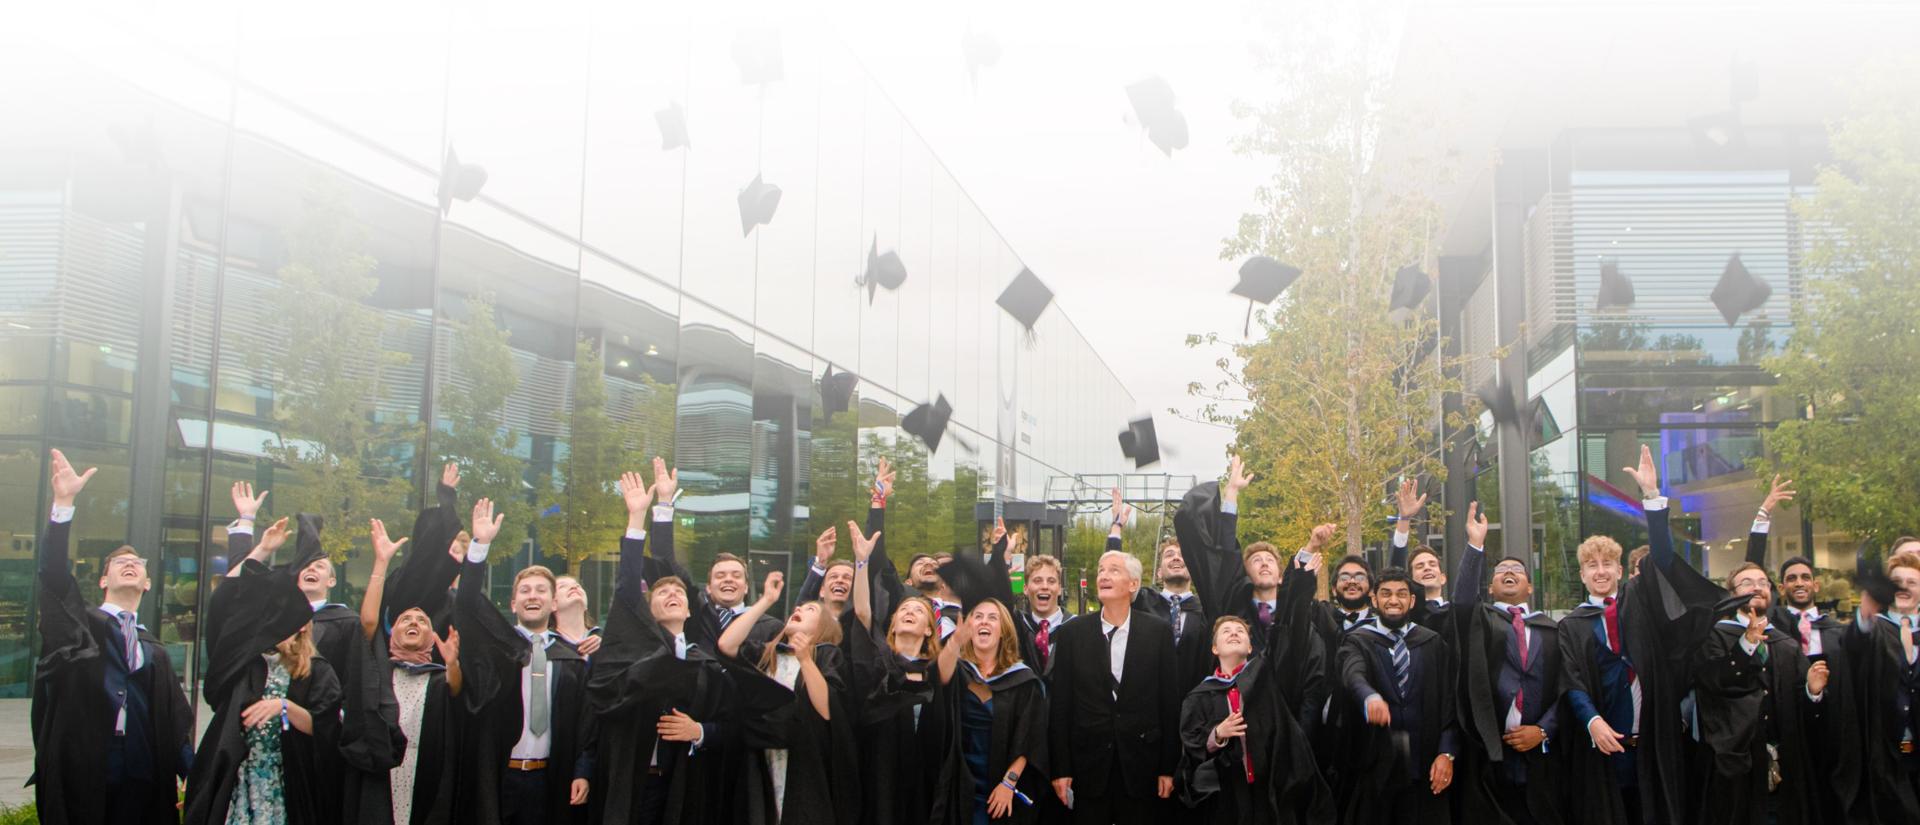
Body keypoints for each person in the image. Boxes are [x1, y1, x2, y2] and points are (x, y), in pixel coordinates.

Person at [30, 448, 194, 825]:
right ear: (103, 580)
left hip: (142, 771)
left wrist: (196, 776)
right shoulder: (80, 628)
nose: (130, 564)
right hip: (86, 767)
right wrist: (63, 504)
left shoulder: (153, 649)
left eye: (137, 563)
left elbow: (173, 722)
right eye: (119, 563)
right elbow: (54, 580)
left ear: (148, 584)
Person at [588, 463, 738, 825]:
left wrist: (699, 732)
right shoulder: (637, 645)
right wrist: (640, 516)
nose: (672, 594)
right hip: (632, 783)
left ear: (691, 610)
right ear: (648, 611)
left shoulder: (705, 658)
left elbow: (732, 724)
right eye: (662, 592)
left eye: (678, 593)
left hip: (684, 787)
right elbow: (627, 588)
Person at [184, 512, 344, 825]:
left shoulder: (316, 670)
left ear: (301, 626)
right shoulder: (242, 661)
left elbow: (326, 728)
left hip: (289, 782)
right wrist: (262, 551)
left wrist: (283, 706)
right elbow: (222, 606)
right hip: (238, 781)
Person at [454, 498, 595, 825]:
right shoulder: (497, 646)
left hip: (551, 779)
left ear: (554, 602)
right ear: (513, 602)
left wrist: (583, 771)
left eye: (542, 591)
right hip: (499, 776)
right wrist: (481, 545)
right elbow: (466, 605)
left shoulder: (570, 658)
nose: (533, 596)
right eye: (526, 591)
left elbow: (588, 725)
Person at [225, 481, 355, 822]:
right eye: (305, 567)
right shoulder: (252, 655)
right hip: (246, 776)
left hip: (299, 768)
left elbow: (329, 719)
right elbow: (236, 599)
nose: (311, 570)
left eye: (321, 567)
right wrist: (246, 527)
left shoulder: (343, 625)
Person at [1178, 553, 1331, 825]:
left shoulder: (1265, 676)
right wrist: (1217, 734)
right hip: (1226, 794)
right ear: (1214, 648)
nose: (1234, 632)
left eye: (1240, 630)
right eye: (1226, 631)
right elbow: (1191, 742)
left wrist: (1301, 583)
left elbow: (1289, 631)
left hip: (1269, 788)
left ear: (1251, 647)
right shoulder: (1200, 695)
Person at [337, 516, 465, 825]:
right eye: (406, 619)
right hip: (379, 776)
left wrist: (452, 663)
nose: (414, 622)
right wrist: (381, 563)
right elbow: (368, 622)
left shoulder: (437, 677)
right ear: (391, 632)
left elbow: (455, 688)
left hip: (426, 777)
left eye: (422, 621)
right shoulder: (379, 670)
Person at [1046, 548, 1181, 825]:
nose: (1103, 575)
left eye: (1113, 570)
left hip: (1142, 764)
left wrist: (1168, 767)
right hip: (1088, 764)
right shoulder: (1073, 633)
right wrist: (1061, 768)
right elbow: (1060, 705)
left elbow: (1169, 703)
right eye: (1101, 570)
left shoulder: (1158, 632)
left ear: (1133, 584)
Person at [1452, 501, 1564, 825]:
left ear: (1530, 586)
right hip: (1490, 754)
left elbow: (1566, 687)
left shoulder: (1552, 629)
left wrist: (1544, 730)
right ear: (1490, 588)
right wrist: (1475, 546)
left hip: (1541, 755)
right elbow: (1461, 600)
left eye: (1517, 571)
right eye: (1501, 571)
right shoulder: (1483, 619)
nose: (1509, 573)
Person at [717, 568, 859, 825]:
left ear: (823, 626)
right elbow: (727, 645)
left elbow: (827, 709)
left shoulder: (826, 655)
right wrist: (766, 601)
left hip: (803, 758)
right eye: (799, 609)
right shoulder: (768, 654)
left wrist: (805, 659)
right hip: (762, 754)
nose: (800, 610)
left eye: (810, 610)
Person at [1692, 561, 1825, 825]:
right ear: (1732, 595)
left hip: (1783, 760)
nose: (1757, 588)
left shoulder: (1786, 644)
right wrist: (1746, 645)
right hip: (1735, 762)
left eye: (1763, 583)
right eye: (1747, 583)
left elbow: (1805, 711)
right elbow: (1715, 684)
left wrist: (1812, 691)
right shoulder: (1715, 637)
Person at [1336, 567, 1459, 824]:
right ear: (1374, 599)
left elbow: (1450, 700)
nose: (1394, 600)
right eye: (1386, 594)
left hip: (1426, 767)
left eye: (1402, 594)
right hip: (1374, 770)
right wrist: (1369, 697)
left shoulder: (1432, 643)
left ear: (1412, 601)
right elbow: (1352, 673)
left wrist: (1446, 753)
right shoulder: (1358, 640)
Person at [848, 514, 945, 825]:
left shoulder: (935, 672)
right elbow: (863, 613)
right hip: (880, 775)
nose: (909, 612)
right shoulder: (881, 660)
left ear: (929, 630)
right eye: (904, 609)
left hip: (923, 778)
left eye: (917, 610)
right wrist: (861, 564)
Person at [931, 596, 1049, 825]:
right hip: (959, 778)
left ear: (1003, 630)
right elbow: (939, 678)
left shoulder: (1022, 679)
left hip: (1001, 780)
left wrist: (1009, 783)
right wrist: (955, 642)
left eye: (992, 618)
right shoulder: (958, 671)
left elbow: (1029, 736)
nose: (984, 622)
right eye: (978, 617)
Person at [1556, 529, 1645, 824]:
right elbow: (1572, 679)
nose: (1601, 571)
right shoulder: (1571, 625)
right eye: (1592, 565)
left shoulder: (1641, 614)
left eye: (1607, 563)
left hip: (1648, 747)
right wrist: (1592, 722)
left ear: (1620, 571)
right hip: (1601, 750)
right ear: (1582, 575)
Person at [1111, 486, 1209, 694]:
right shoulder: (1142, 601)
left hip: (1192, 703)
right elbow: (1113, 579)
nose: (1176, 557)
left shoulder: (1205, 609)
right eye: (1169, 554)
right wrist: (1116, 528)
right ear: (1158, 573)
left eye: (1183, 555)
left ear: (1193, 568)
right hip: (1146, 701)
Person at [1846, 552, 1920, 822]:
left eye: (1912, 582)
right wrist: (1865, 613)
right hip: (1884, 748)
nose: (1903, 587)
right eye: (1897, 581)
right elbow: (1853, 648)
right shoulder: (1873, 630)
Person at [1387, 479, 1450, 631]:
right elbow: (1396, 571)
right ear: (1411, 579)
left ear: (1443, 578)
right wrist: (1404, 519)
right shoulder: (1407, 614)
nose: (1427, 568)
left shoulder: (1457, 612)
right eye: (1420, 566)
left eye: (1432, 564)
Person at [1013, 553, 1070, 677]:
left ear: (1059, 589)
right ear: (1026, 588)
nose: (1044, 586)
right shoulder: (1018, 627)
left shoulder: (1075, 628)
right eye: (1037, 581)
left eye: (1051, 581)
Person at [552, 576, 602, 657]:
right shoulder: (545, 643)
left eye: (578, 586)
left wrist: (606, 647)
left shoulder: (606, 638)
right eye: (562, 586)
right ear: (552, 604)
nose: (574, 587)